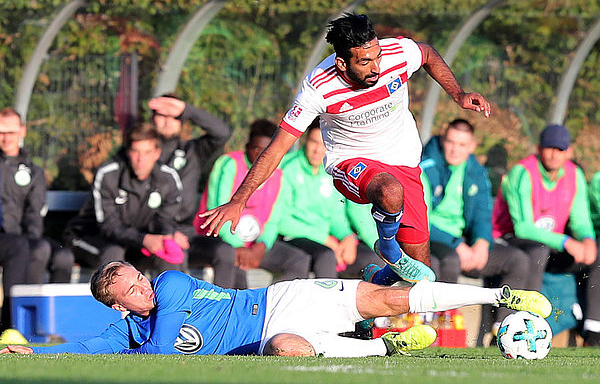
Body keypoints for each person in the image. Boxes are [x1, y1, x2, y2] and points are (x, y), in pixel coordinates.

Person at [199, 13, 491, 286]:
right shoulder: (318, 87)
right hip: (350, 163)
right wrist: (239, 199)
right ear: (341, 63)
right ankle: (388, 247)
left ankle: (378, 300)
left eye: (376, 57)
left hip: (403, 162)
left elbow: (426, 52)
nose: (376, 67)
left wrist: (459, 94)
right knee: (389, 191)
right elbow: (277, 148)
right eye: (364, 62)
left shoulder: (394, 55)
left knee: (421, 273)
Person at [1, 260, 551, 356]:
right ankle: (384, 345)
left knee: (389, 297)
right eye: (132, 289)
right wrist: (29, 353)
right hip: (272, 335)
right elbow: (92, 347)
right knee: (286, 350)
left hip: (281, 297)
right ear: (120, 303)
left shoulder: (170, 286)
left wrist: (125, 342)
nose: (145, 287)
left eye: (139, 278)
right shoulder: (133, 332)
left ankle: (503, 297)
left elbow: (166, 344)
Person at [417, 119, 532, 332]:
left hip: (464, 243)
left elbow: (482, 214)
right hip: (434, 239)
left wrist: (481, 243)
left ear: (472, 146)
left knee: (518, 260)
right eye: (451, 142)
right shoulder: (426, 167)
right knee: (449, 260)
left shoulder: (476, 171)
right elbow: (420, 219)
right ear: (443, 140)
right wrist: (456, 244)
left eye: (462, 145)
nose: (455, 150)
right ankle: (442, 328)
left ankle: (505, 327)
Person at [493, 123, 600, 346]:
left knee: (597, 252)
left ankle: (593, 331)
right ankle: (518, 326)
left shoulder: (574, 173)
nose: (554, 154)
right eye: (549, 148)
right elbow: (523, 227)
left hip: (554, 245)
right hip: (512, 240)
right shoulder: (522, 172)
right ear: (538, 148)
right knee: (536, 251)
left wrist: (588, 240)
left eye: (560, 149)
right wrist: (567, 242)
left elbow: (580, 219)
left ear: (568, 152)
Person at [194, 119, 310, 288]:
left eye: (266, 151)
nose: (260, 155)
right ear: (247, 146)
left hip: (254, 247)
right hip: (220, 240)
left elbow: (274, 218)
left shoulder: (277, 175)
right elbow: (218, 210)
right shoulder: (229, 164)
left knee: (299, 260)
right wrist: (239, 247)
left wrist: (262, 246)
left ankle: (272, 306)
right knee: (233, 263)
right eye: (256, 148)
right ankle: (227, 311)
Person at [64, 123, 185, 275]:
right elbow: (108, 226)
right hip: (90, 238)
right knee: (114, 255)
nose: (141, 159)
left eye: (147, 152)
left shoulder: (167, 178)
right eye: (136, 152)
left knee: (168, 253)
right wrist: (143, 239)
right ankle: (109, 299)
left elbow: (166, 220)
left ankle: (173, 299)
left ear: (157, 153)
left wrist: (166, 236)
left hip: (137, 243)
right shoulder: (108, 174)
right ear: (128, 152)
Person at [148, 95, 235, 286]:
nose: (167, 121)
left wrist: (187, 109)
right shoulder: (141, 153)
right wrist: (167, 233)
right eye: (161, 115)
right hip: (152, 234)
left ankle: (222, 310)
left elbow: (221, 133)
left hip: (187, 234)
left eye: (174, 116)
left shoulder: (192, 151)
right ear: (152, 118)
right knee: (171, 256)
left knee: (225, 251)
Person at [0, 107, 74, 284]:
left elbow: (35, 212)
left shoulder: (34, 171)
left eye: (11, 132)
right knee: (26, 248)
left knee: (63, 257)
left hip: (26, 238)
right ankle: (16, 311)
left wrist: (31, 239)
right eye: (1, 132)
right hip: (6, 239)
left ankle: (55, 311)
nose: (6, 138)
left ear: (22, 131)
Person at [278, 120, 360, 277]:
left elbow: (336, 216)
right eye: (313, 142)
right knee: (326, 256)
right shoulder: (287, 168)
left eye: (324, 145)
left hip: (327, 240)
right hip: (291, 237)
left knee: (371, 260)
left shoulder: (331, 172)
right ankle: (327, 302)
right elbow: (282, 221)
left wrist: (348, 238)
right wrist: (325, 239)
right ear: (305, 140)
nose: (317, 150)